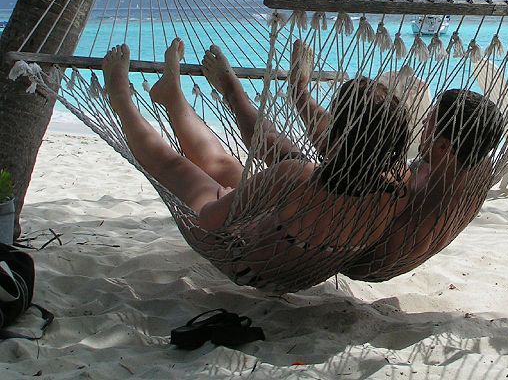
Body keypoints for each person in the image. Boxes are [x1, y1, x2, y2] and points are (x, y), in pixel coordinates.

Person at [101, 38, 411, 262]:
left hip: (242, 257)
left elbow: (209, 220)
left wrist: (225, 197)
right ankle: (172, 97)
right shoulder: (397, 186)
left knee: (182, 170)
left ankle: (122, 101)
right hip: (293, 256)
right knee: (228, 168)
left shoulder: (299, 174)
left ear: (339, 133)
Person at [342, 88, 505, 282]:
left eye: (429, 120)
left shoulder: (418, 210)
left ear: (443, 146)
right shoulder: (477, 166)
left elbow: (360, 267)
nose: (423, 122)